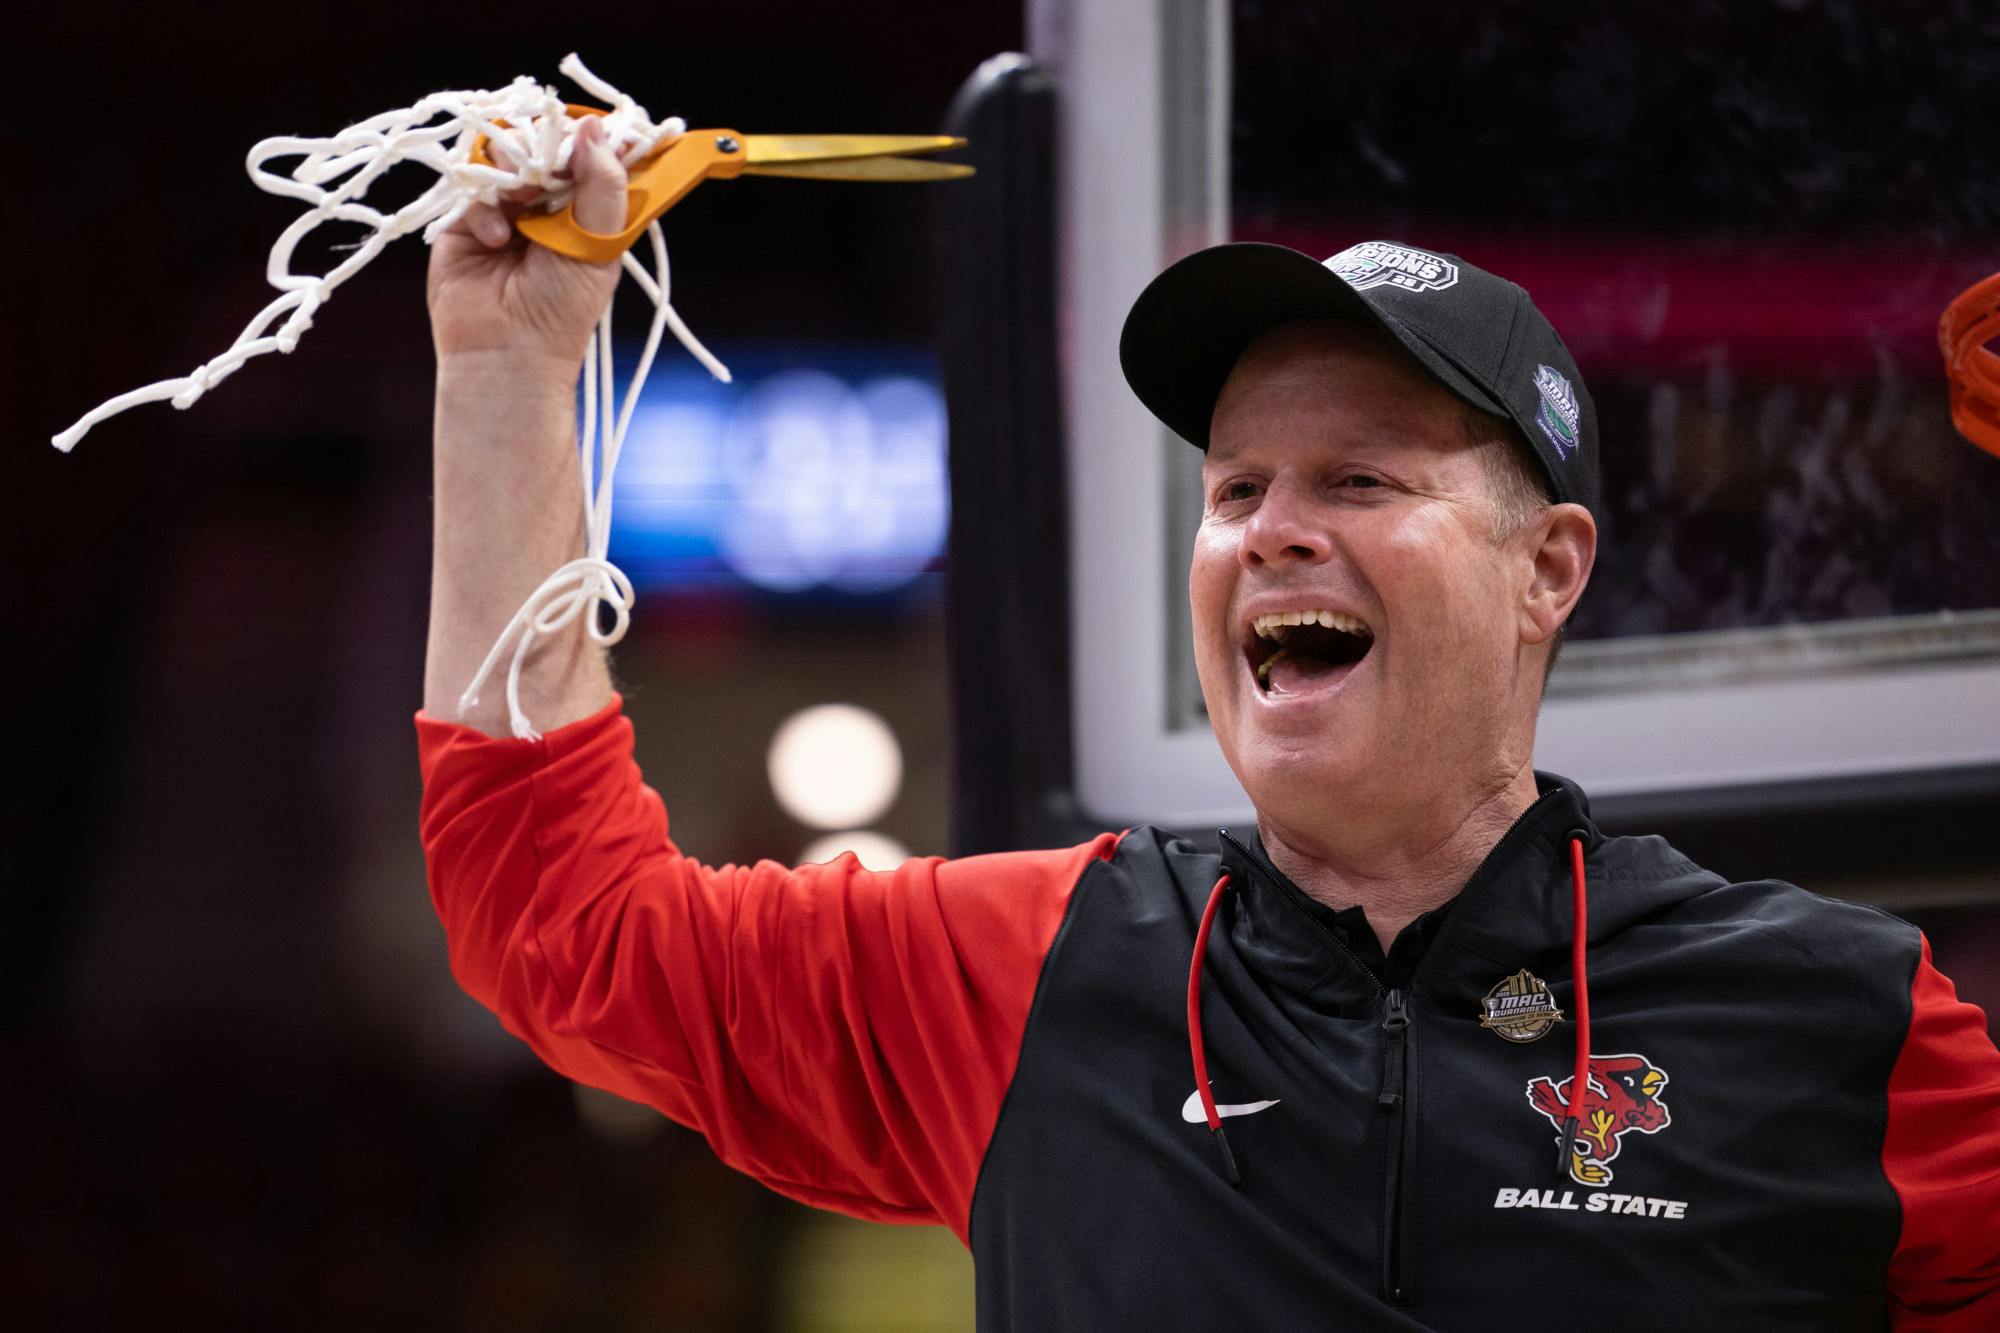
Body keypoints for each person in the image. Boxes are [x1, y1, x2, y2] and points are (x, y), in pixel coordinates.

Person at [417, 119, 2000, 1329]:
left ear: (1549, 569)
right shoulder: (1027, 969)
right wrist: (507, 371)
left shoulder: (1841, 1020)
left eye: (1360, 481)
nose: (1272, 530)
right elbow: (558, 921)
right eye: (1237, 487)